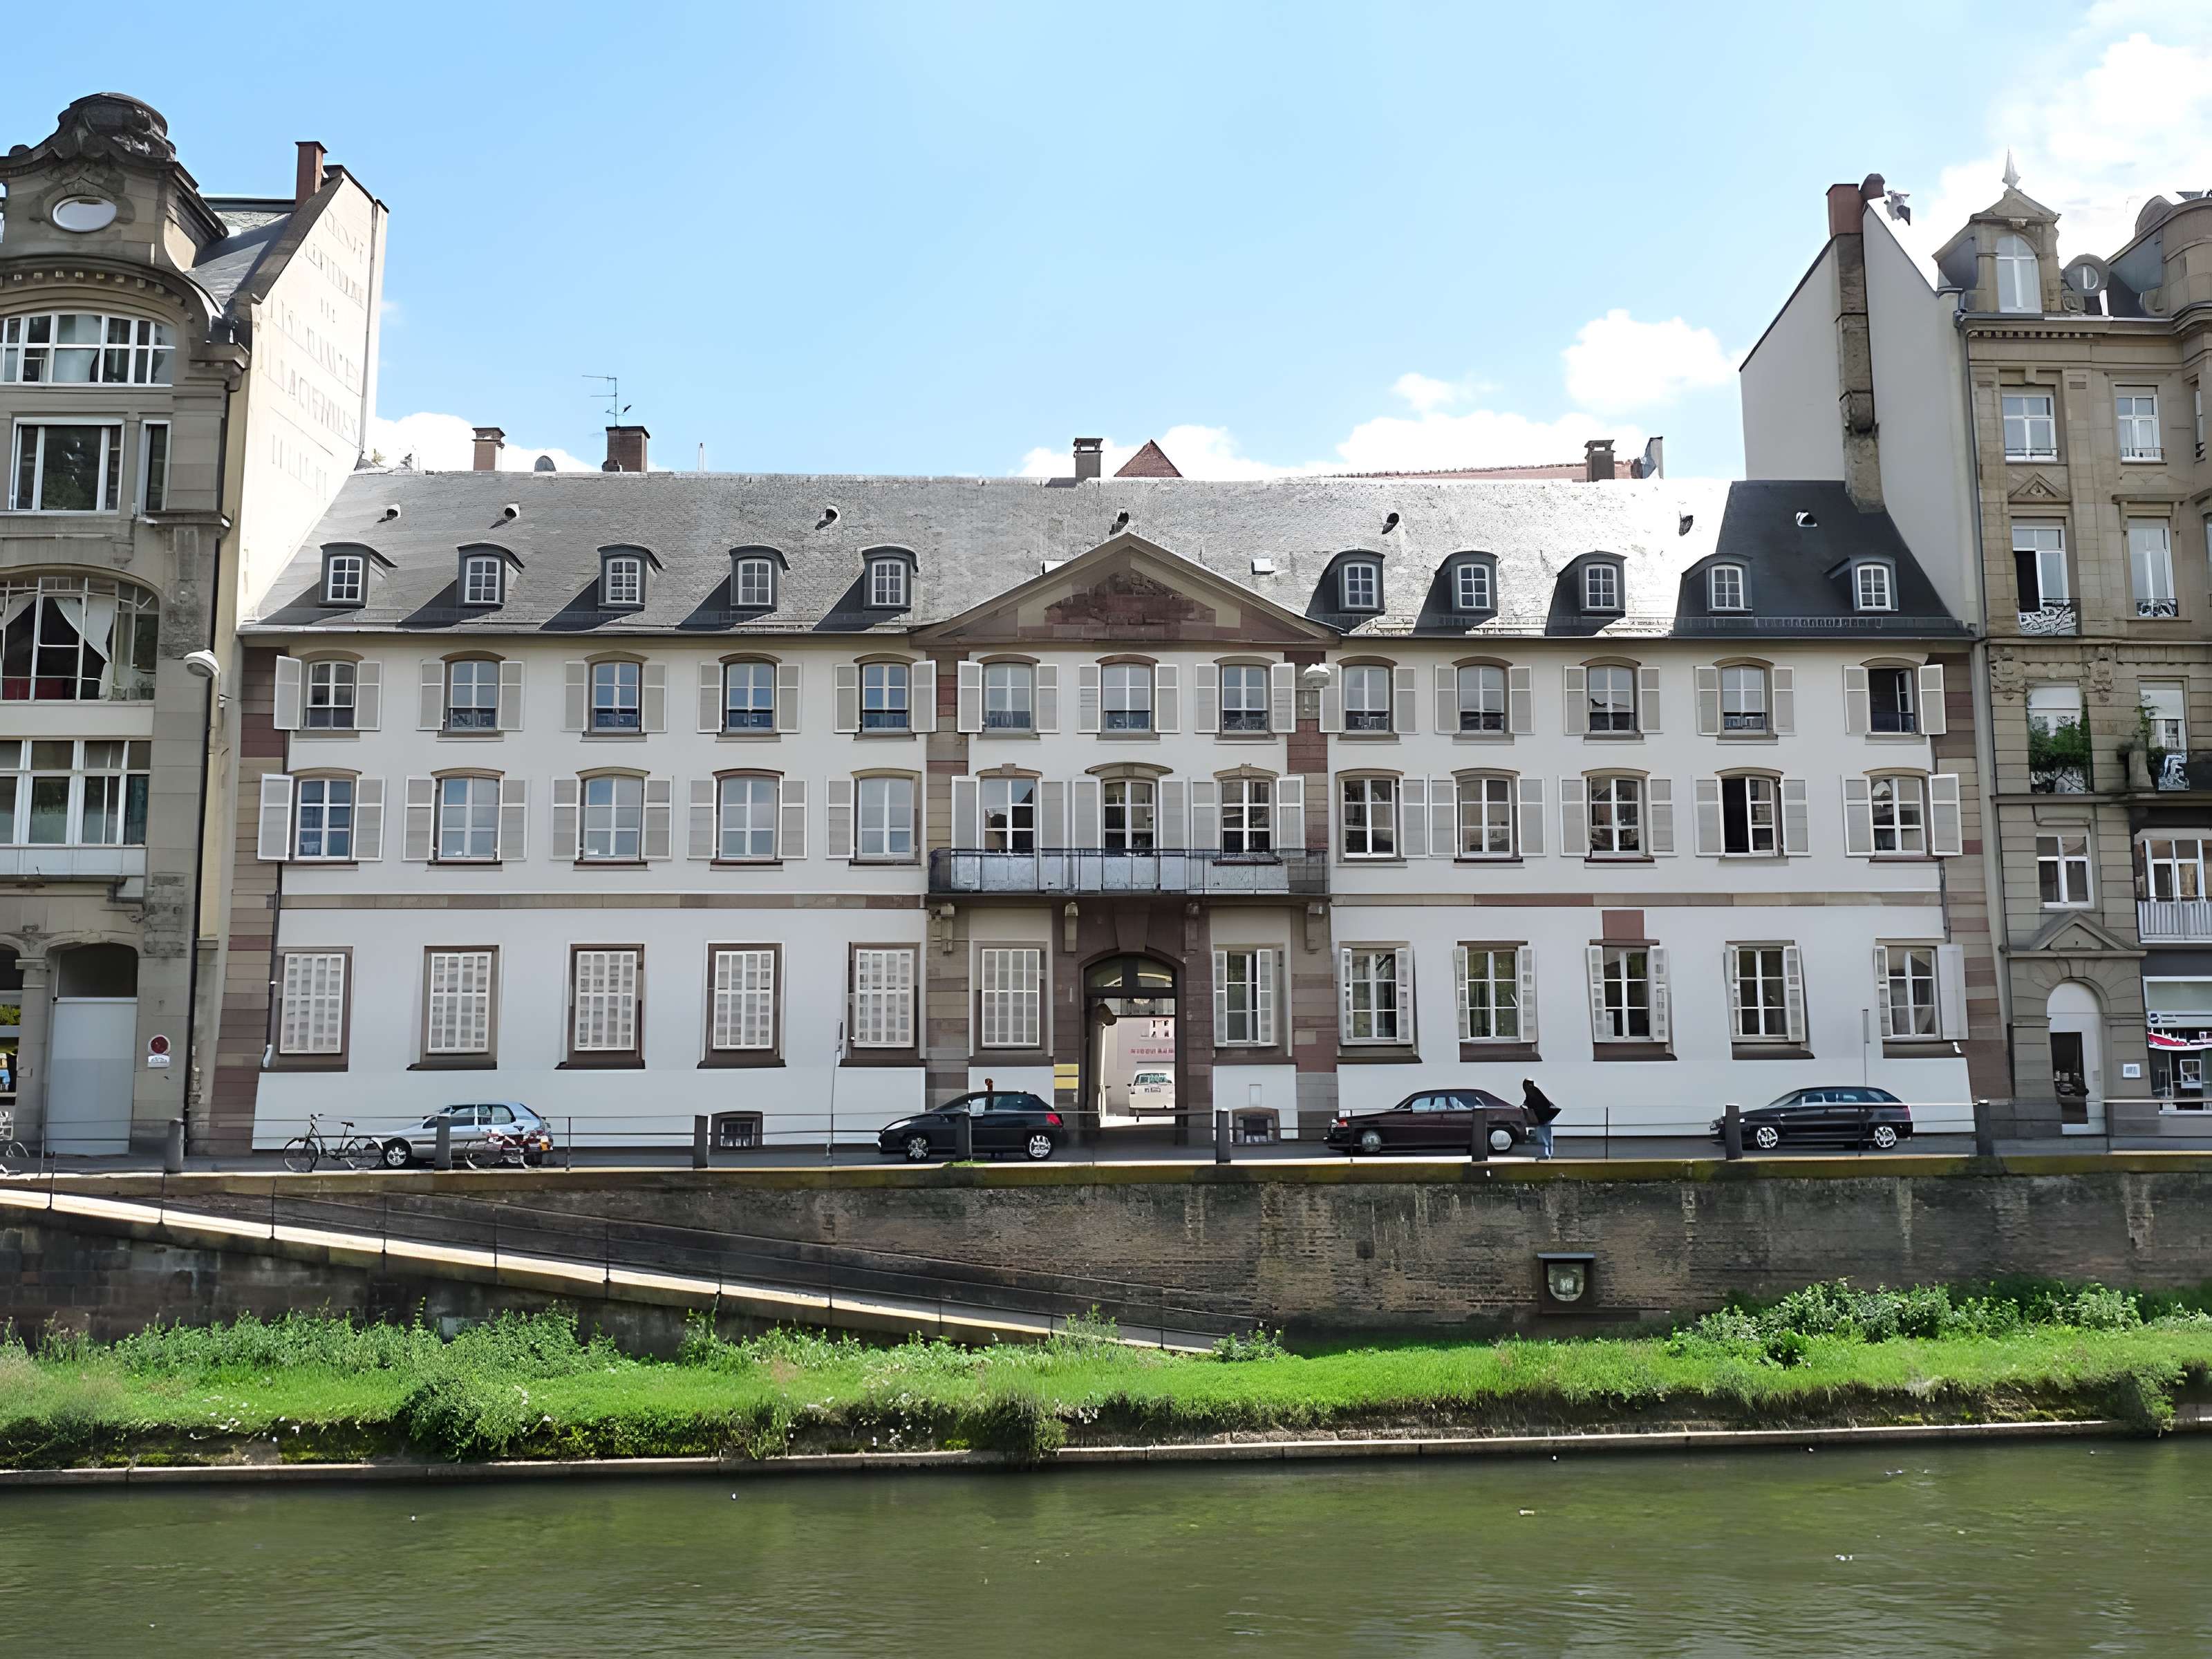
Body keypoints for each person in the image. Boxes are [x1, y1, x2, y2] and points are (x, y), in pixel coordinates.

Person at [1521, 1078, 1562, 1160]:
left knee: (1543, 1137)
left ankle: (1545, 1155)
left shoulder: (1532, 1091)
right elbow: (1529, 1100)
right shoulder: (1533, 1091)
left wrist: (1525, 1106)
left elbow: (1534, 1103)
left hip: (1544, 1118)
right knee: (1547, 1136)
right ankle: (1549, 1154)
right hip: (1546, 1117)